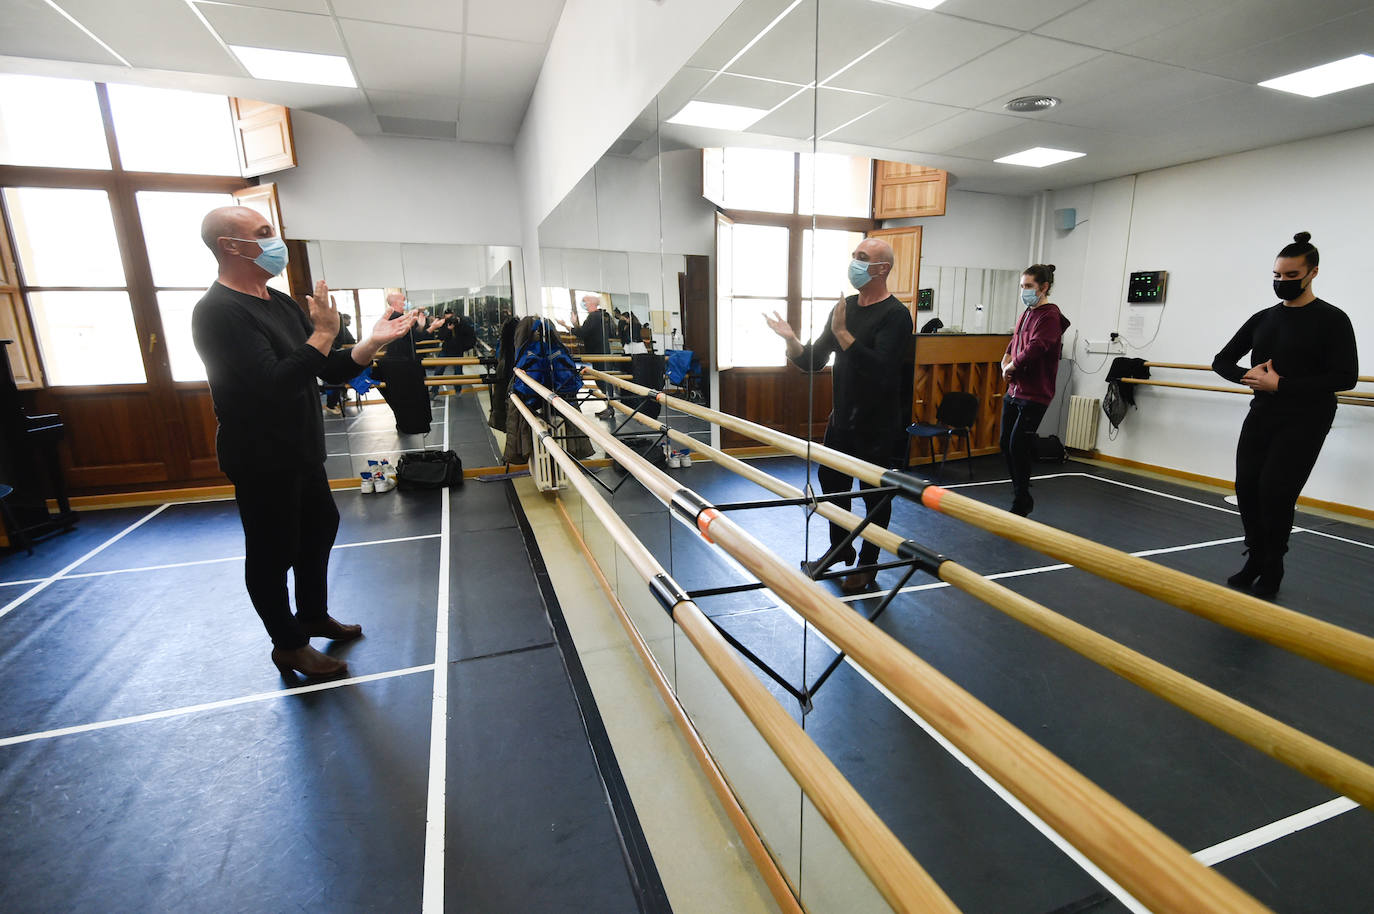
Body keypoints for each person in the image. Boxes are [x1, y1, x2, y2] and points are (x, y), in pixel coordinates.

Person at [192, 206, 422, 680]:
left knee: (319, 528)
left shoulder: (278, 304)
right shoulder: (217, 312)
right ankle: (289, 645)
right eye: (262, 234)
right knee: (273, 550)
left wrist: (371, 342)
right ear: (230, 246)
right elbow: (273, 382)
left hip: (301, 448)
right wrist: (321, 332)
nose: (274, 241)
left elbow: (327, 367)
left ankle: (313, 614)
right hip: (261, 456)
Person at [1212, 232, 1358, 597]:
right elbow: (1221, 360)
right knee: (1246, 487)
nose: (1282, 282)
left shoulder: (1332, 320)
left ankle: (1273, 565)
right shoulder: (1264, 318)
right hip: (1263, 413)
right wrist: (1249, 378)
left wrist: (1282, 386)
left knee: (1276, 491)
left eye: (1291, 276)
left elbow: (1346, 377)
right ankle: (1256, 556)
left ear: (1313, 273)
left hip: (1307, 418)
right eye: (1277, 275)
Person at [765, 238, 913, 594]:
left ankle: (867, 564)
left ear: (882, 269)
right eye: (854, 256)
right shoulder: (845, 307)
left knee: (874, 498)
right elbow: (813, 360)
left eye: (862, 258)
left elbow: (883, 371)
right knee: (833, 491)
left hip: (879, 426)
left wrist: (844, 334)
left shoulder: (896, 315)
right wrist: (790, 340)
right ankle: (840, 548)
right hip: (842, 421)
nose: (854, 263)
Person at [1000, 264, 1070, 517]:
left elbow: (1036, 347)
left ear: (1044, 287)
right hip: (1015, 391)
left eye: (1028, 286)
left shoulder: (1049, 315)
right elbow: (1015, 340)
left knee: (1018, 444)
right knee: (1005, 443)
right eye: (1022, 286)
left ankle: (1022, 498)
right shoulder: (1026, 313)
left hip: (1035, 393)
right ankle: (1020, 489)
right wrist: (1004, 360)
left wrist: (1013, 365)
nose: (1024, 291)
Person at [558, 294, 616, 418]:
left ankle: (610, 408)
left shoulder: (593, 317)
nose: (583, 303)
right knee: (602, 381)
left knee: (603, 382)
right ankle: (609, 407)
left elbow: (583, 333)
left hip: (600, 354)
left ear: (591, 303)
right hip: (601, 352)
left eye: (584, 301)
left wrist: (567, 325)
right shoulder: (599, 316)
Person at [323, 310, 355, 415]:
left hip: (331, 356)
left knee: (337, 379)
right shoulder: (330, 329)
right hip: (329, 357)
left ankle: (332, 403)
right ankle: (331, 404)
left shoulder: (333, 328)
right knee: (334, 380)